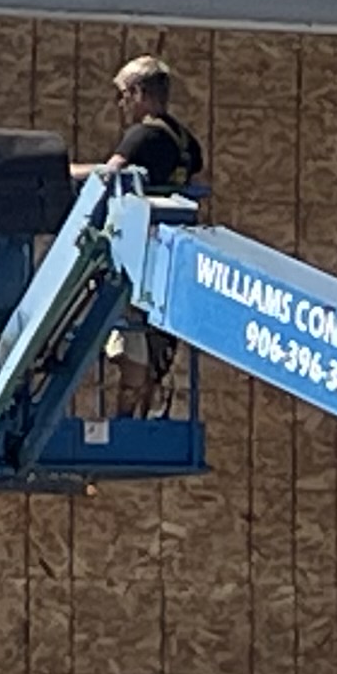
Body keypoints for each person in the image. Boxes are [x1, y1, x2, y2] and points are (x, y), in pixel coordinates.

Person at [80, 55, 203, 413]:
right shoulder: (185, 142)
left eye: (122, 95)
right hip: (167, 257)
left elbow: (109, 174)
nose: (120, 104)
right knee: (152, 344)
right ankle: (140, 411)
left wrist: (63, 169)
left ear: (138, 93)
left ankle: (127, 416)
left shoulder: (144, 136)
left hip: (136, 254)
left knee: (130, 340)